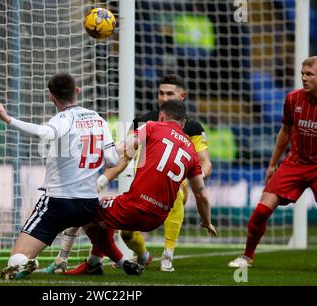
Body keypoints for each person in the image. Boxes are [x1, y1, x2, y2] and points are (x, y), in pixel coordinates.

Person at [44, 74, 212, 273]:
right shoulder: (143, 121)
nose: (164, 98)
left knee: (85, 210)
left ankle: (165, 256)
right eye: (161, 93)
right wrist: (101, 181)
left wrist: (93, 152)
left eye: (169, 94)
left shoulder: (179, 126)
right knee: (125, 234)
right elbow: (125, 158)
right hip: (150, 206)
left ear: (182, 96)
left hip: (161, 193)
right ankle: (137, 256)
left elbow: (205, 162)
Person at [0, 73, 122, 279]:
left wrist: (8, 119)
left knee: (15, 260)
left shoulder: (63, 118)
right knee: (90, 222)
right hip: (88, 205)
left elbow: (43, 133)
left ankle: (26, 262)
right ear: (77, 91)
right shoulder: (98, 119)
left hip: (59, 203)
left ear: (51, 97)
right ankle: (103, 261)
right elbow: (113, 160)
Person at [228, 56, 317, 268]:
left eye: (309, 74)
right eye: (302, 74)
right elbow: (285, 132)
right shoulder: (293, 99)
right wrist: (272, 163)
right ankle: (247, 257)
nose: (304, 78)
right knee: (261, 211)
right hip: (295, 162)